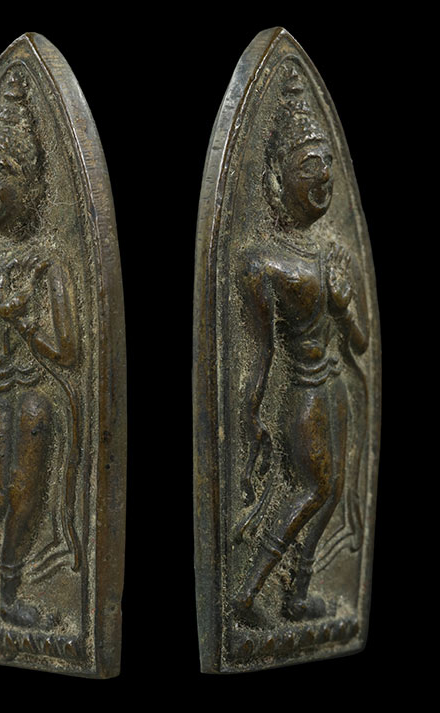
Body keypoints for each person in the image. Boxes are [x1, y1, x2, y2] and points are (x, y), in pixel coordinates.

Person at [234, 67, 369, 622]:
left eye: (326, 164)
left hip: (336, 387)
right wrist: (249, 419)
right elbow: (258, 355)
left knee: (332, 492)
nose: (323, 175)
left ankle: (295, 595)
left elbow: (360, 342)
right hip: (305, 391)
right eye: (308, 165)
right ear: (277, 177)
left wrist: (344, 305)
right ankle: (247, 592)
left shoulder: (334, 253)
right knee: (312, 490)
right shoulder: (262, 263)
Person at [0, 67, 80, 627]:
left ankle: (7, 593)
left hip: (36, 401)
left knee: (26, 502)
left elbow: (68, 350)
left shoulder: (48, 266)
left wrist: (23, 321)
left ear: (30, 187)